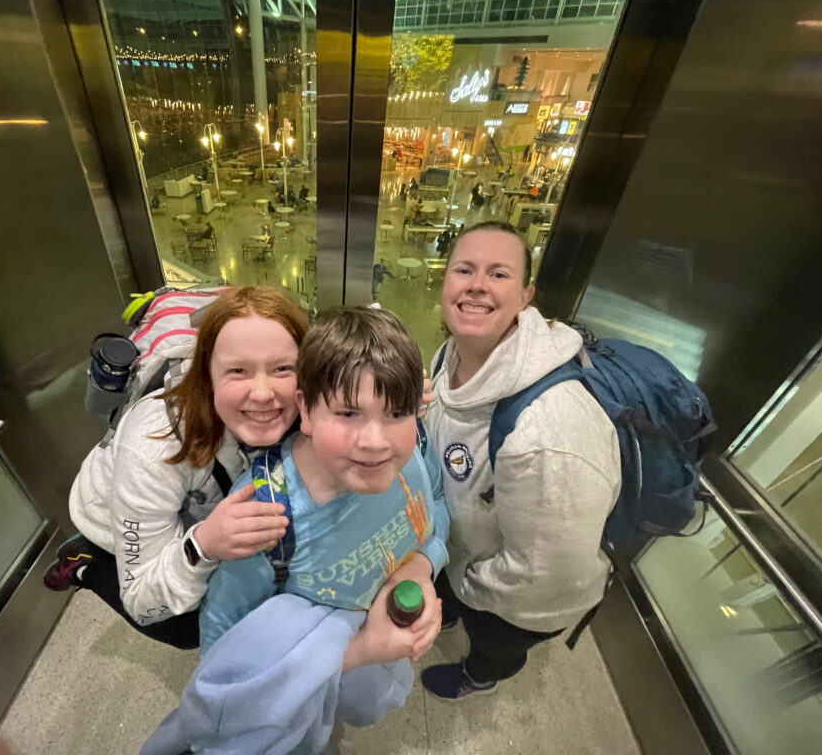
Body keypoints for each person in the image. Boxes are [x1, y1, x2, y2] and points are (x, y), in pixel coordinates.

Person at [144, 308, 448, 754]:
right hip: (305, 700)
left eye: (396, 413)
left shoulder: (414, 449)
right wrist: (360, 651)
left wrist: (422, 567)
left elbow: (438, 506)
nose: (376, 441)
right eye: (347, 413)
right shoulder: (265, 517)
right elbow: (233, 664)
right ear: (304, 409)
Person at [420, 221, 621, 701]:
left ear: (526, 294)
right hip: (463, 551)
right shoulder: (453, 353)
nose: (476, 285)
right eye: (464, 269)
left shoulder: (548, 432)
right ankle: (451, 607)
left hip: (511, 599)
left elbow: (546, 575)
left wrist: (471, 586)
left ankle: (481, 677)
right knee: (452, 598)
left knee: (495, 644)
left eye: (499, 274)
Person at [42, 287, 307, 649]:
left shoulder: (307, 398)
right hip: (117, 518)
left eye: (282, 369)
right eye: (237, 371)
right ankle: (85, 563)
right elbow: (141, 604)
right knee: (186, 629)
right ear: (206, 375)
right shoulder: (152, 447)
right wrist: (202, 546)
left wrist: (400, 408)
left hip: (204, 506)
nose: (262, 393)